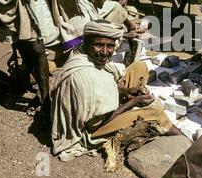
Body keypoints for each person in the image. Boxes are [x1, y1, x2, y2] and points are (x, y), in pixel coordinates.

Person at [51, 20, 177, 161]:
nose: (105, 52)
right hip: (91, 129)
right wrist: (130, 104)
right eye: (98, 45)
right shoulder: (85, 78)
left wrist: (126, 90)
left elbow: (106, 81)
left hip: (100, 108)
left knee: (139, 67)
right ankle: (185, 143)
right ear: (86, 43)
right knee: (155, 114)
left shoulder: (83, 53)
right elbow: (95, 124)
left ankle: (126, 107)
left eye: (110, 46)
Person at [76, 0, 145, 36]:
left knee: (116, 5)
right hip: (93, 33)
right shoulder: (84, 15)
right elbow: (95, 34)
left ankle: (131, 26)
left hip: (96, 13)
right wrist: (125, 35)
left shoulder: (89, 1)